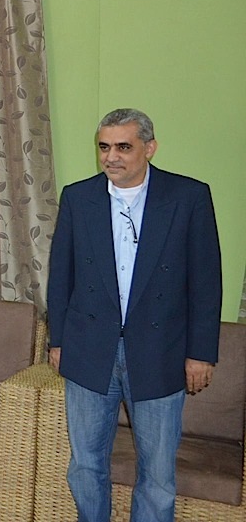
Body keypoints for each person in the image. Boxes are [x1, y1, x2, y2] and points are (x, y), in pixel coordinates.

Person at [47, 108, 222, 522]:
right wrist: (59, 341)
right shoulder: (78, 197)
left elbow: (206, 281)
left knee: (157, 474)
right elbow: (61, 276)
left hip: (160, 351)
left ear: (150, 148)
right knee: (85, 465)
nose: (111, 157)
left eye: (123, 147)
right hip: (90, 349)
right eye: (104, 147)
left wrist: (201, 353)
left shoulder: (188, 197)